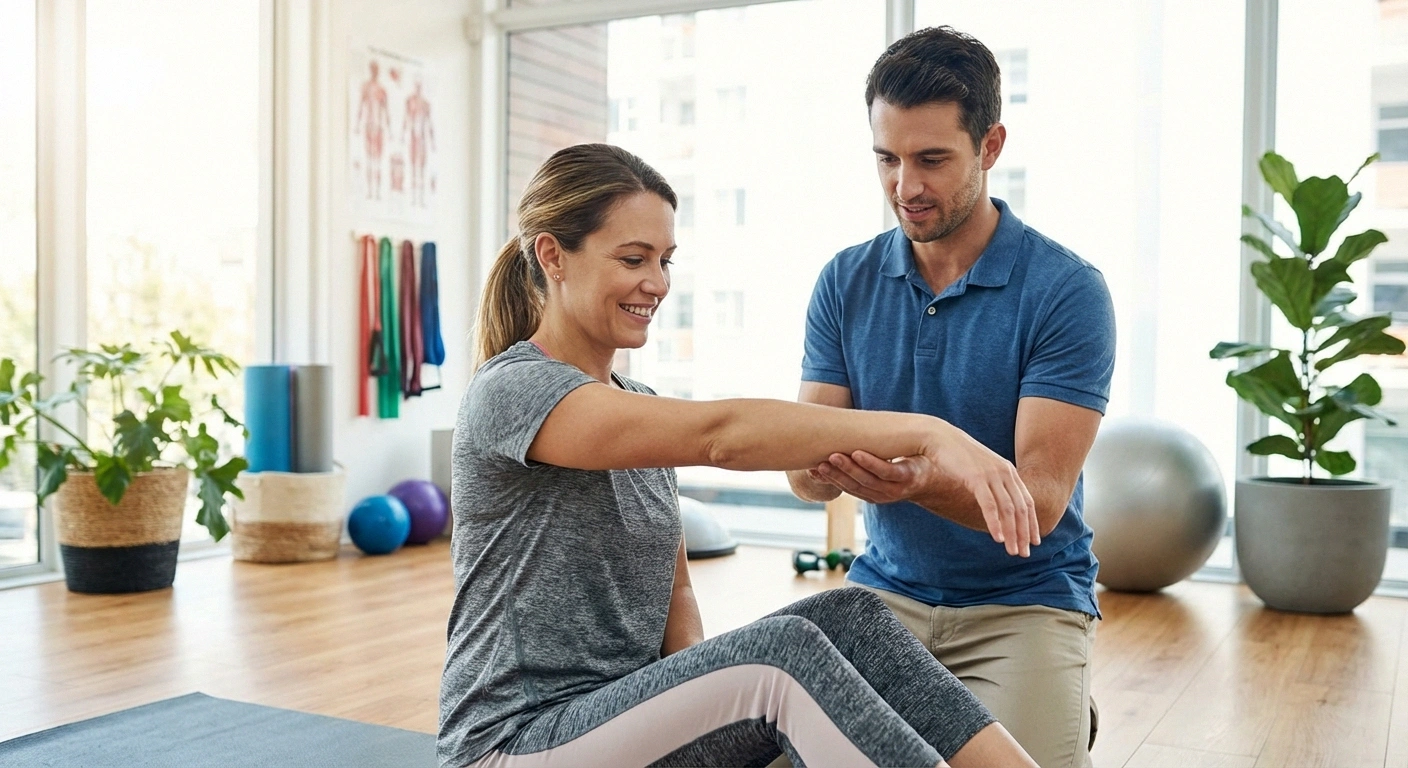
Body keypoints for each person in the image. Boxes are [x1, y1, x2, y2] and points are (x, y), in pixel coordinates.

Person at [438, 143, 1041, 768]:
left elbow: (676, 601)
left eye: (665, 260)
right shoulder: (513, 391)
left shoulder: (637, 404)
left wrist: (714, 739)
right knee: (782, 658)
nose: (657, 283)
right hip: (512, 745)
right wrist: (932, 434)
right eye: (632, 259)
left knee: (853, 614)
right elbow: (720, 435)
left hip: (621, 726)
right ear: (552, 256)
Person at [786, 27, 1117, 768]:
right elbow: (805, 474)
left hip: (1026, 598)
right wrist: (822, 465)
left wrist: (922, 483)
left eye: (932, 159)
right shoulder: (845, 281)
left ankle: (1048, 695)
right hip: (884, 595)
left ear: (990, 145)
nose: (906, 186)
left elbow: (1036, 503)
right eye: (887, 158)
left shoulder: (1066, 291)